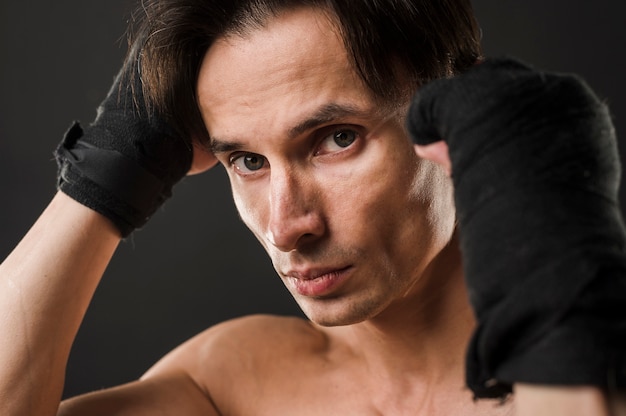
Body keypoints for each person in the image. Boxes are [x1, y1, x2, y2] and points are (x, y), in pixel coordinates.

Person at [1, 0, 625, 415]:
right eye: (247, 160)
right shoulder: (228, 387)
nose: (286, 226)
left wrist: (555, 305)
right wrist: (101, 178)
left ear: (460, 113)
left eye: (337, 139)